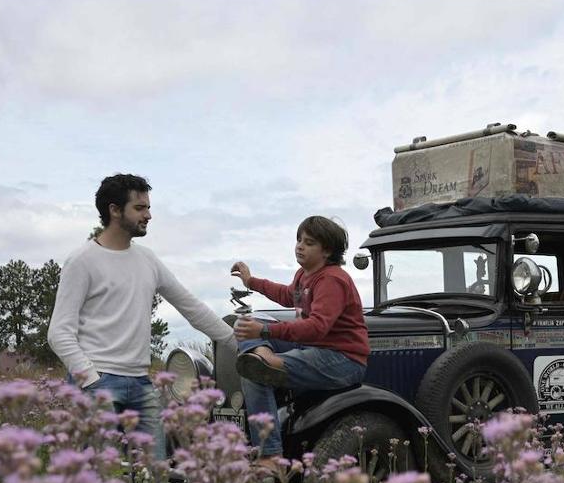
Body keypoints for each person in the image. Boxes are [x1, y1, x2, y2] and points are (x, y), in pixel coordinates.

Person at [49, 174, 235, 461]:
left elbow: (192, 308)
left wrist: (238, 343)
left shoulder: (147, 260)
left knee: (155, 475)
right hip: (97, 382)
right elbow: (59, 332)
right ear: (114, 210)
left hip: (140, 383)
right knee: (99, 474)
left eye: (148, 207)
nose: (148, 215)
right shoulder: (82, 261)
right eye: (139, 208)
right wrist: (90, 381)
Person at [229, 216, 369, 467]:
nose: (300, 246)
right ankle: (263, 359)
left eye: (309, 242)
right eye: (299, 240)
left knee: (257, 369)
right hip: (313, 350)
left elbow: (317, 328)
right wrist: (251, 282)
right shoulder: (304, 275)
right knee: (247, 329)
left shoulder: (332, 279)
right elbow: (286, 295)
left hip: (342, 360)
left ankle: (270, 455)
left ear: (327, 250)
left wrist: (265, 333)